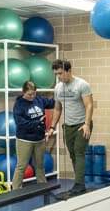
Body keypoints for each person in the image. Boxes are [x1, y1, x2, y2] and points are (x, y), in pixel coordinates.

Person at [50, 59, 94, 196]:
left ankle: (79, 184)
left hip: (82, 124)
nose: (59, 77)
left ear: (69, 71)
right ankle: (80, 183)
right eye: (56, 74)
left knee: (79, 152)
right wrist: (52, 127)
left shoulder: (82, 84)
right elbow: (57, 109)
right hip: (68, 126)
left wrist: (87, 124)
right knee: (73, 155)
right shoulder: (58, 88)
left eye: (60, 73)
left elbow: (89, 105)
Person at [11, 80, 55, 189]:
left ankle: (43, 188)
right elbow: (20, 123)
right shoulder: (19, 104)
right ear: (23, 92)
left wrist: (61, 95)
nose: (32, 96)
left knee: (40, 166)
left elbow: (53, 103)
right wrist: (37, 122)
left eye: (34, 93)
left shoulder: (39, 100)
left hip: (39, 139)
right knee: (21, 166)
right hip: (25, 140)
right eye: (29, 94)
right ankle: (15, 191)